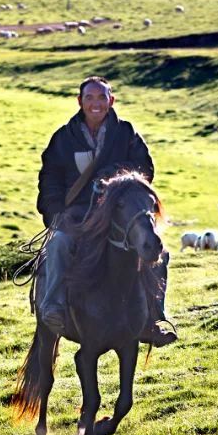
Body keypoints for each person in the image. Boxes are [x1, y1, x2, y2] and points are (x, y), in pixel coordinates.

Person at [36, 76, 176, 347]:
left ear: (111, 101)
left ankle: (155, 318)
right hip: (77, 217)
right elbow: (49, 179)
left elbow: (145, 169)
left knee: (159, 251)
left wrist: (115, 176)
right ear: (80, 102)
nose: (96, 104)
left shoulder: (126, 133)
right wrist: (56, 215)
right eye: (89, 98)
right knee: (58, 245)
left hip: (118, 215)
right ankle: (53, 306)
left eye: (102, 97)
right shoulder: (64, 138)